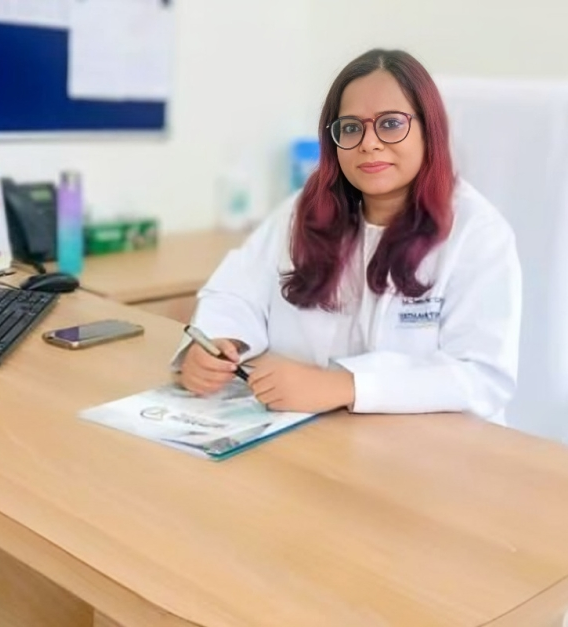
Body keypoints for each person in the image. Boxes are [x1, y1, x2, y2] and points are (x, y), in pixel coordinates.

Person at [175, 49, 522, 424]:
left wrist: (346, 386)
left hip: (429, 447)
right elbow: (237, 293)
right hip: (313, 435)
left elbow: (481, 376)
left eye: (391, 124)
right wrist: (216, 343)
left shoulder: (476, 233)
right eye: (352, 128)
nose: (369, 143)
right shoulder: (304, 211)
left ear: (429, 130)